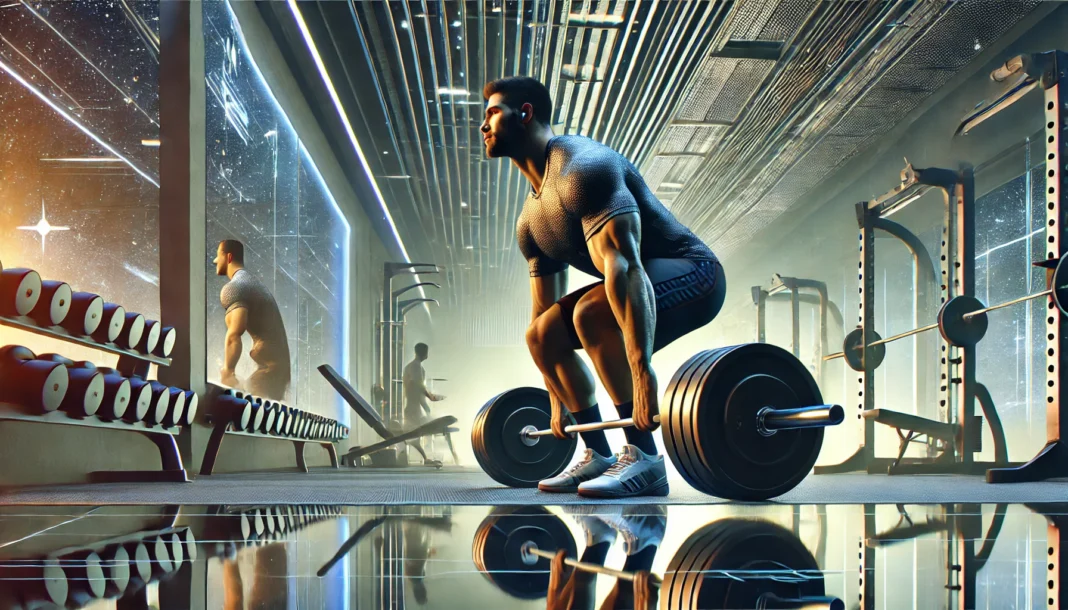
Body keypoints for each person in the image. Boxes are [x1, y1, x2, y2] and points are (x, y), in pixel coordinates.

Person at [480, 76, 726, 498]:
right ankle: (598, 454)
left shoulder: (583, 168)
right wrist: (556, 392)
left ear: (525, 113)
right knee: (540, 335)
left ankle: (645, 459)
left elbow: (625, 267)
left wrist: (642, 370)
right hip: (633, 284)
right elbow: (544, 314)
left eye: (491, 113)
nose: (482, 125)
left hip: (696, 274)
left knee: (592, 314)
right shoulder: (531, 220)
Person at [214, 239, 292, 401]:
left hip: (269, 372)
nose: (215, 260)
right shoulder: (250, 283)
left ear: (228, 257)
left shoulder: (235, 287)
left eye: (217, 255)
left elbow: (234, 334)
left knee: (244, 412)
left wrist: (228, 371)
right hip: (276, 370)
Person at [402, 342, 457, 466]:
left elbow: (417, 389)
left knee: (412, 434)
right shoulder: (415, 367)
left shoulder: (415, 367)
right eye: (426, 352)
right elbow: (418, 386)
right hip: (413, 408)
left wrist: (425, 404)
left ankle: (425, 457)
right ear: (422, 353)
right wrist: (430, 397)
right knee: (412, 434)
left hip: (415, 407)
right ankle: (429, 457)